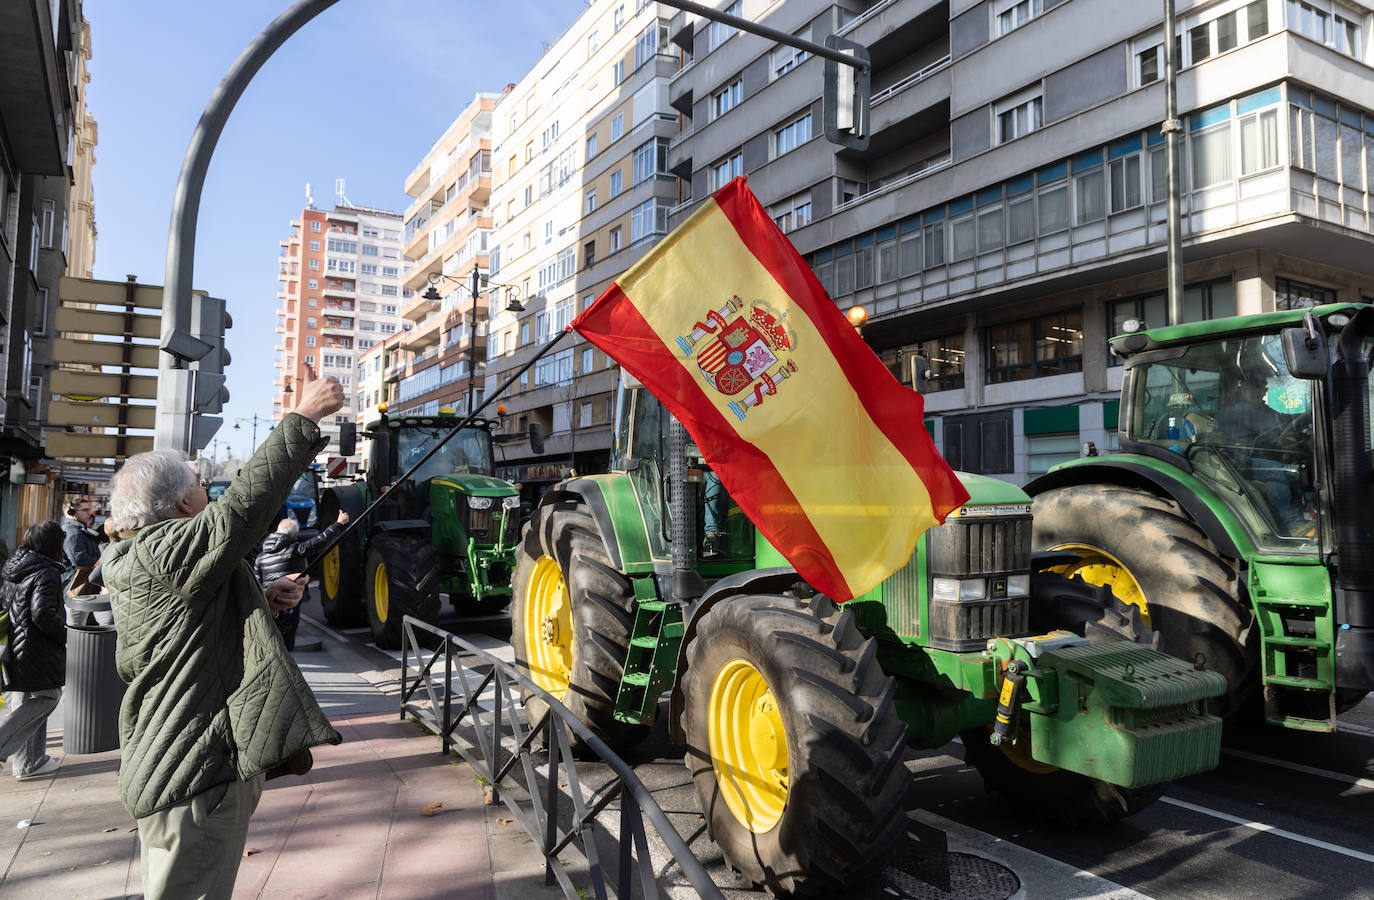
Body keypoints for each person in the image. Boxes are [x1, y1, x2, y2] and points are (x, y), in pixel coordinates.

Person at [103, 370, 346, 899]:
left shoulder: (145, 557)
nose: (206, 493)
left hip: (181, 765)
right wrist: (302, 419)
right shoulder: (164, 550)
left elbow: (193, 622)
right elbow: (241, 511)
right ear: (183, 505)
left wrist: (262, 592)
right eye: (198, 485)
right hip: (194, 772)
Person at [0, 520, 67, 780]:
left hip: (15, 647)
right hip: (36, 648)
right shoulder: (46, 571)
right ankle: (8, 744)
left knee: (24, 697)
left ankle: (29, 762)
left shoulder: (14, 566)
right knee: (48, 696)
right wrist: (67, 635)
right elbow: (42, 613)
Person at [253, 511, 349, 650]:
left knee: (270, 642)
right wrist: (339, 524)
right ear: (295, 535)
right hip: (287, 604)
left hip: (267, 605)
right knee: (286, 644)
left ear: (276, 531)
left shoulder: (261, 556)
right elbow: (319, 541)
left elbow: (256, 581)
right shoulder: (293, 550)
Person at [60, 498, 100, 591]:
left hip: (81, 583)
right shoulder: (72, 532)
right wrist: (99, 563)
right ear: (72, 512)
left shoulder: (78, 530)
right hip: (75, 585)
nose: (89, 513)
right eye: (85, 510)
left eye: (89, 510)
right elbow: (79, 560)